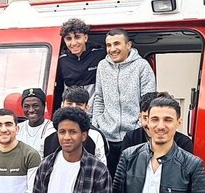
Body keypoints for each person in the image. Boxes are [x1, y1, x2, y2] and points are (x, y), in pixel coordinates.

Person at [91, 29, 156, 177]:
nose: (112, 49)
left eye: (116, 44)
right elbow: (99, 98)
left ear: (128, 45)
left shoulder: (142, 66)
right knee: (107, 179)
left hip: (133, 135)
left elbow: (148, 102)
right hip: (106, 135)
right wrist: (97, 125)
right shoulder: (102, 66)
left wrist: (139, 128)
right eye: (108, 45)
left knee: (130, 180)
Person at [44, 87, 107, 164]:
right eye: (69, 103)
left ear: (87, 107)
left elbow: (101, 166)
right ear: (62, 104)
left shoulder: (95, 135)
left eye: (79, 104)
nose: (73, 107)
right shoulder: (49, 132)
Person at [121, 92, 193, 153]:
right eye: (154, 119)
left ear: (179, 122)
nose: (160, 126)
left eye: (167, 120)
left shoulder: (184, 143)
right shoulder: (131, 138)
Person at [56, 18, 105, 108]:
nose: (73, 43)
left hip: (95, 113)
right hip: (72, 112)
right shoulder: (61, 61)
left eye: (77, 37)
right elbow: (58, 91)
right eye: (68, 39)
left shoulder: (100, 54)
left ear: (85, 37)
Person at [15, 88, 54, 157]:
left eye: (35, 106)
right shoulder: (17, 128)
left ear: (44, 106)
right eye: (26, 106)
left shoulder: (52, 129)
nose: (31, 110)